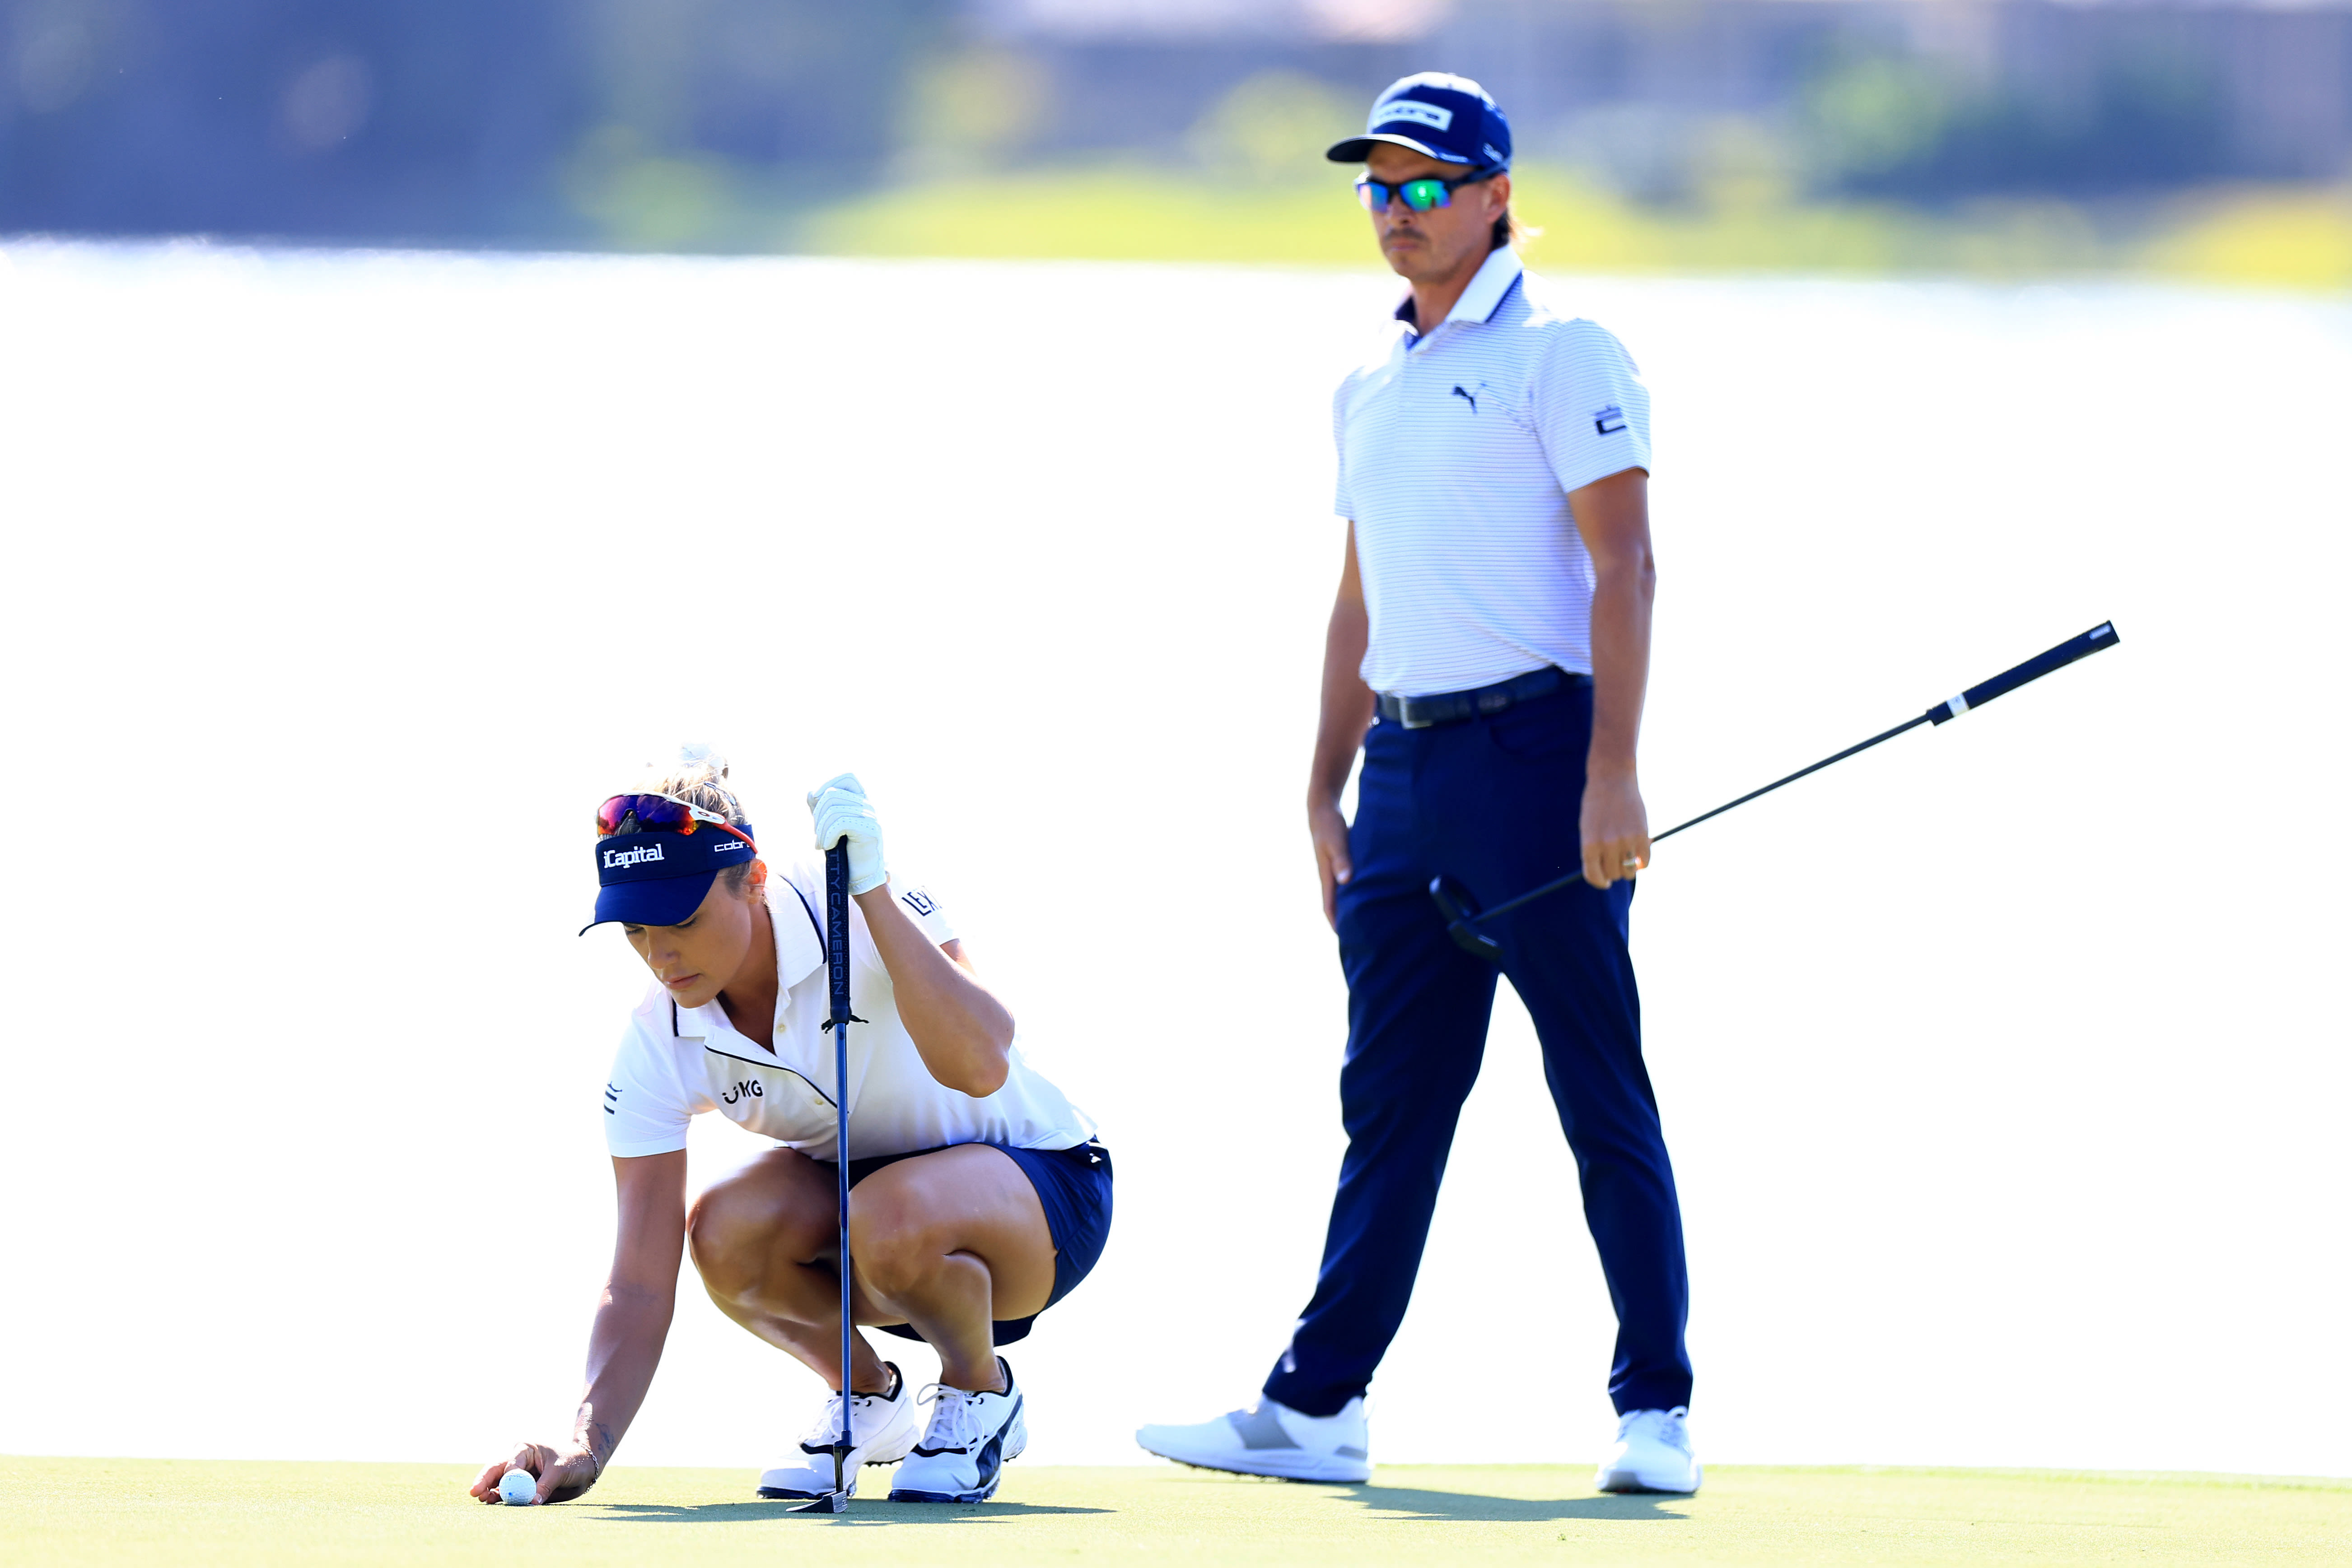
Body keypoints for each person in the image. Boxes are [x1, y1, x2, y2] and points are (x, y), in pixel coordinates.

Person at [1136, 73, 1698, 1494]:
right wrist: (1318, 789)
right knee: (1390, 1101)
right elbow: (1354, 605)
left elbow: (1627, 567)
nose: (1400, 210)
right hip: (1400, 772)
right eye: (1378, 187)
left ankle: (1655, 1414)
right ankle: (1319, 1406)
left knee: (1596, 1090)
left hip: (1539, 765)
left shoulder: (1564, 353)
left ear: (1499, 194)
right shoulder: (1366, 386)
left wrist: (1613, 775)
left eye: (1429, 185)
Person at [470, 753, 1110, 1507]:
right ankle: (869, 1394)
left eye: (681, 918)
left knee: (890, 1213)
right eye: (636, 928)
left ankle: (982, 1393)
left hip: (1043, 1193)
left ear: (756, 879)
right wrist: (587, 1438)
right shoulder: (658, 1034)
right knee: (722, 1228)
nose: (659, 951)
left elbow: (982, 1063)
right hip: (876, 1224)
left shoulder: (857, 900)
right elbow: (640, 1277)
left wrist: (871, 892)